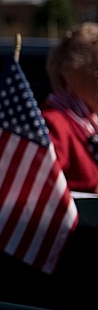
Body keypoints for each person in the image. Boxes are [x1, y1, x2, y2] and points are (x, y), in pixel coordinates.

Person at [41, 22, 98, 193]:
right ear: (70, 72)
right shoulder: (54, 122)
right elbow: (44, 188)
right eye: (96, 70)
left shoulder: (89, 119)